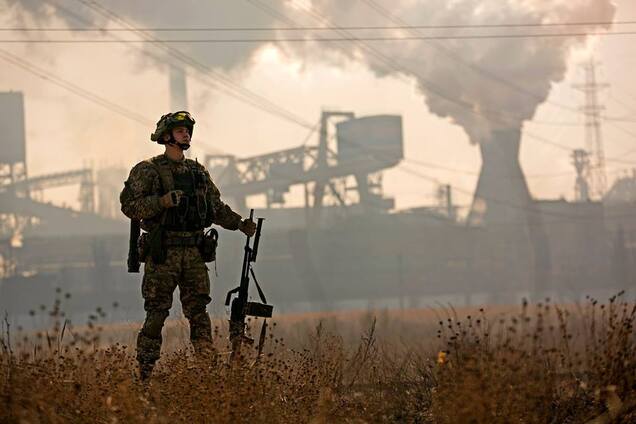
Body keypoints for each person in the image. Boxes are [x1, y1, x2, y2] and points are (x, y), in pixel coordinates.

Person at [119, 111, 256, 380]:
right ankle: (145, 373)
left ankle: (207, 370)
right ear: (166, 136)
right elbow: (129, 206)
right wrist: (161, 203)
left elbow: (215, 208)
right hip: (163, 253)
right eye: (180, 130)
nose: (186, 134)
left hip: (193, 252)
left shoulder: (197, 172)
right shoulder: (147, 170)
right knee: (157, 313)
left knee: (198, 313)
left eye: (187, 130)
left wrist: (240, 224)